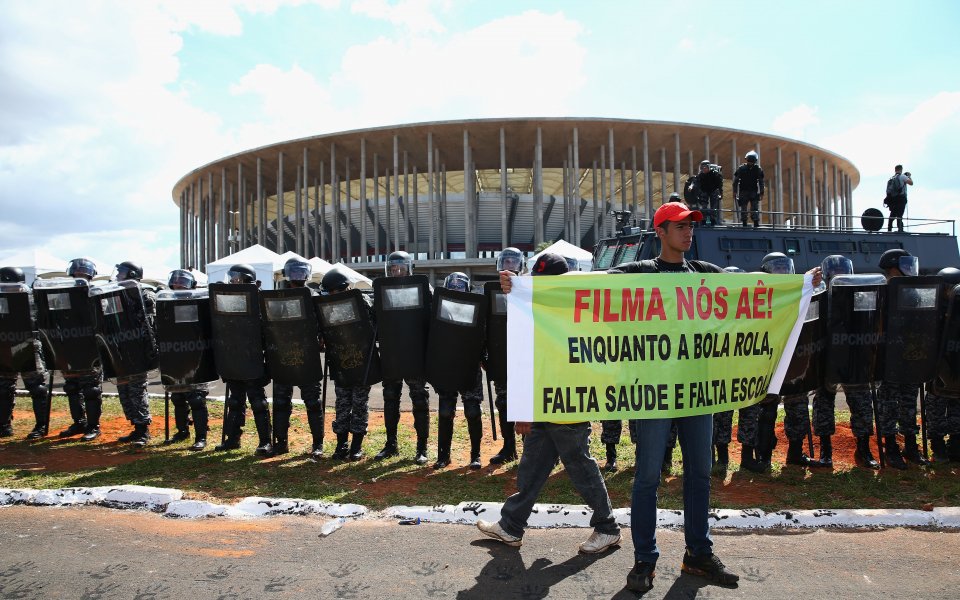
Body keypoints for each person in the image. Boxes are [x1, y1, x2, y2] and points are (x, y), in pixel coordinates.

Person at [476, 252, 621, 555]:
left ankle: (607, 527)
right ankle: (511, 525)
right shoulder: (536, 308)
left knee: (579, 463)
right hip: (543, 399)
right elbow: (529, 359)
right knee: (533, 463)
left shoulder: (573, 309)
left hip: (567, 401)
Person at [375, 251, 432, 464]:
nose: (397, 271)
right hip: (392, 352)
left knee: (419, 399)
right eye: (393, 268)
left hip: (415, 353)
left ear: (409, 268)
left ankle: (421, 447)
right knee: (390, 397)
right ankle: (391, 444)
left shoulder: (425, 290)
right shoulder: (382, 291)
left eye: (401, 267)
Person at [876, 249, 928, 468]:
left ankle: (910, 445)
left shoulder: (914, 293)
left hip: (910, 357)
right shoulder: (883, 292)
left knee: (908, 404)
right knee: (888, 405)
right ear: (893, 268)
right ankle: (891, 448)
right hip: (889, 360)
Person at [214, 264, 272, 456]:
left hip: (252, 356)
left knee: (258, 402)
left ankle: (265, 441)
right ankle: (232, 439)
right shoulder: (225, 298)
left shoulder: (257, 297)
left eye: (237, 278)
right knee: (235, 401)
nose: (233, 281)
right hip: (233, 354)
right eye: (232, 277)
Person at [270, 258, 324, 457]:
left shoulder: (314, 296)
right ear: (287, 274)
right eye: (294, 273)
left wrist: (321, 339)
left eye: (301, 273)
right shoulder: (278, 296)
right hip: (283, 354)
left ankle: (318, 444)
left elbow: (322, 322)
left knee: (313, 402)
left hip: (307, 355)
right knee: (281, 401)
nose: (297, 277)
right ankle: (280, 442)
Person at [433, 272, 484, 470]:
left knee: (472, 411)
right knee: (446, 411)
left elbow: (483, 333)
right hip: (447, 364)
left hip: (469, 363)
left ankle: (475, 455)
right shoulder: (438, 307)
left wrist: (483, 355)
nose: (456, 290)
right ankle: (443, 455)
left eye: (460, 286)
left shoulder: (477, 307)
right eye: (452, 287)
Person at [322, 269, 372, 461]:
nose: (334, 296)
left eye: (337, 291)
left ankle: (356, 446)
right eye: (331, 293)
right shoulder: (328, 307)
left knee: (359, 404)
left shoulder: (361, 302)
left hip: (361, 361)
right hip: (340, 361)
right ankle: (341, 444)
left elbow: (372, 320)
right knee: (342, 404)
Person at [0, 267, 50, 439]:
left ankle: (41, 426)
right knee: (4, 387)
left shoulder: (29, 296)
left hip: (27, 345)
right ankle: (4, 425)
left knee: (37, 388)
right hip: (5, 344)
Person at [162, 269, 209, 451]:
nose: (178, 285)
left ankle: (201, 437)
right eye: (176, 282)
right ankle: (182, 431)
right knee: (178, 396)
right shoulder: (165, 304)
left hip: (196, 356)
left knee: (196, 399)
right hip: (176, 356)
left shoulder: (199, 302)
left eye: (183, 282)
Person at [112, 261, 156, 448]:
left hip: (138, 350)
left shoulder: (144, 294)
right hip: (120, 348)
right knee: (124, 390)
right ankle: (135, 425)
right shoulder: (113, 293)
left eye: (121, 272)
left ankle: (143, 430)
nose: (118, 275)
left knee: (137, 390)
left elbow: (148, 323)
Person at [59, 258, 103, 441]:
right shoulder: (62, 293)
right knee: (71, 387)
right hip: (69, 346)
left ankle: (93, 426)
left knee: (91, 389)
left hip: (90, 348)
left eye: (83, 273)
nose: (79, 276)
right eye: (77, 273)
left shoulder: (96, 292)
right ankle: (79, 422)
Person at [489, 247, 525, 465]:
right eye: (505, 261)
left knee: (527, 403)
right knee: (503, 403)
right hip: (501, 354)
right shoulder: (491, 289)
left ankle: (531, 451)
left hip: (524, 357)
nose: (509, 265)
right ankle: (508, 447)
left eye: (513, 261)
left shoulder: (529, 287)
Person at [927, 267, 960, 462]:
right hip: (939, 368)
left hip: (952, 367)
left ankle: (955, 445)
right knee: (936, 408)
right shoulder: (936, 310)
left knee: (948, 407)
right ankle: (939, 446)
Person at [732, 150, 764, 228]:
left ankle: (755, 222)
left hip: (753, 191)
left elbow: (761, 182)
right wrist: (735, 191)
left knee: (754, 208)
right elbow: (735, 181)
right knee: (744, 208)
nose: (750, 162)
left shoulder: (757, 169)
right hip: (744, 191)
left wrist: (762, 192)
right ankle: (744, 223)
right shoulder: (742, 168)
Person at [690, 160, 724, 226]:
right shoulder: (701, 175)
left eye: (705, 167)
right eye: (702, 168)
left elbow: (720, 184)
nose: (703, 169)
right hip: (704, 191)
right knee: (703, 207)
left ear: (709, 167)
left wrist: (721, 193)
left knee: (713, 207)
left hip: (713, 191)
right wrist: (691, 186)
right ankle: (704, 220)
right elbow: (694, 181)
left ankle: (713, 220)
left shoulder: (715, 174)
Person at [884, 165, 913, 233]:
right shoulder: (903, 176)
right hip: (901, 198)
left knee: (893, 214)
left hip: (893, 199)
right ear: (901, 169)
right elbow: (911, 183)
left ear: (895, 170)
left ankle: (889, 229)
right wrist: (909, 176)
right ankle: (900, 229)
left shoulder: (891, 178)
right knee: (899, 215)